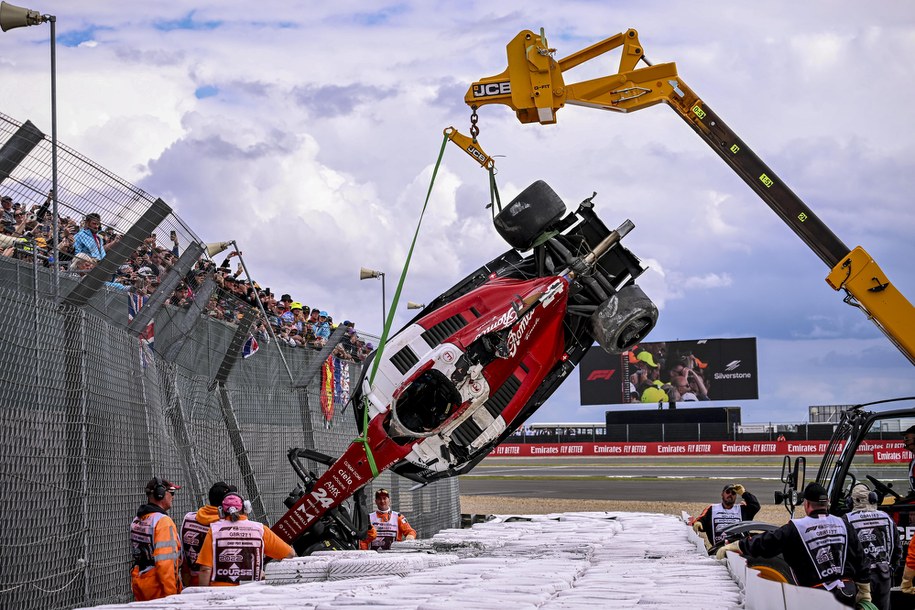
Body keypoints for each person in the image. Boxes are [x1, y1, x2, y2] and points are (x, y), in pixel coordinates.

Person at [716, 483, 872, 608]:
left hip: (816, 598)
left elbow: (766, 543)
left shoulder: (797, 527)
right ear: (828, 503)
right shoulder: (843, 524)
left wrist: (737, 545)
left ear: (806, 504)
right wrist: (865, 591)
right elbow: (860, 558)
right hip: (847, 593)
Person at [196, 493, 294, 585]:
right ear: (246, 508)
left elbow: (205, 569)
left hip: (219, 593)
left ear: (221, 511)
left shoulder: (214, 530)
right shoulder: (260, 529)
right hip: (251, 593)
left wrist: (203, 594)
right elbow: (289, 554)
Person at [843, 483, 899, 610]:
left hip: (860, 579)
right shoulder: (886, 518)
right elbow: (897, 549)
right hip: (884, 574)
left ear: (851, 501)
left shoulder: (847, 520)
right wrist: (890, 569)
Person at [129, 477, 183, 601]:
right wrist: (172, 597)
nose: (173, 497)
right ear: (161, 494)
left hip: (140, 583)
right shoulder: (163, 522)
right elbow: (165, 563)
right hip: (159, 589)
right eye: (172, 492)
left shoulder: (138, 519)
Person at [180, 481, 237, 587]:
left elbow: (182, 555)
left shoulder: (188, 518)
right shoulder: (225, 526)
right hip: (215, 583)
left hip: (190, 582)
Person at [692, 483, 761, 549]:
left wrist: (744, 493)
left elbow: (755, 506)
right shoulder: (712, 508)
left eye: (733, 493)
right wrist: (698, 523)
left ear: (736, 496)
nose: (730, 494)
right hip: (718, 548)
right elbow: (702, 520)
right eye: (728, 492)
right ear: (722, 494)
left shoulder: (742, 509)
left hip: (739, 549)